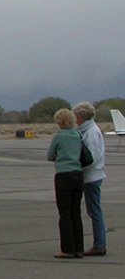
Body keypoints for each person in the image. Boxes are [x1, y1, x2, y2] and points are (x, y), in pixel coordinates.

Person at [47, 107, 85, 258]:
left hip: (64, 174)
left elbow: (50, 155)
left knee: (65, 213)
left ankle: (67, 248)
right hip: (78, 174)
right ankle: (78, 247)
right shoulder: (78, 134)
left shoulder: (59, 136)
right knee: (76, 211)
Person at [73, 101, 106, 256]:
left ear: (82, 116)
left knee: (94, 212)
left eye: (77, 116)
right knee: (93, 211)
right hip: (91, 175)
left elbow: (93, 157)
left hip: (92, 177)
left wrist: (80, 169)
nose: (76, 119)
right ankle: (99, 243)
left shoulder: (91, 132)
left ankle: (99, 244)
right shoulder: (86, 131)